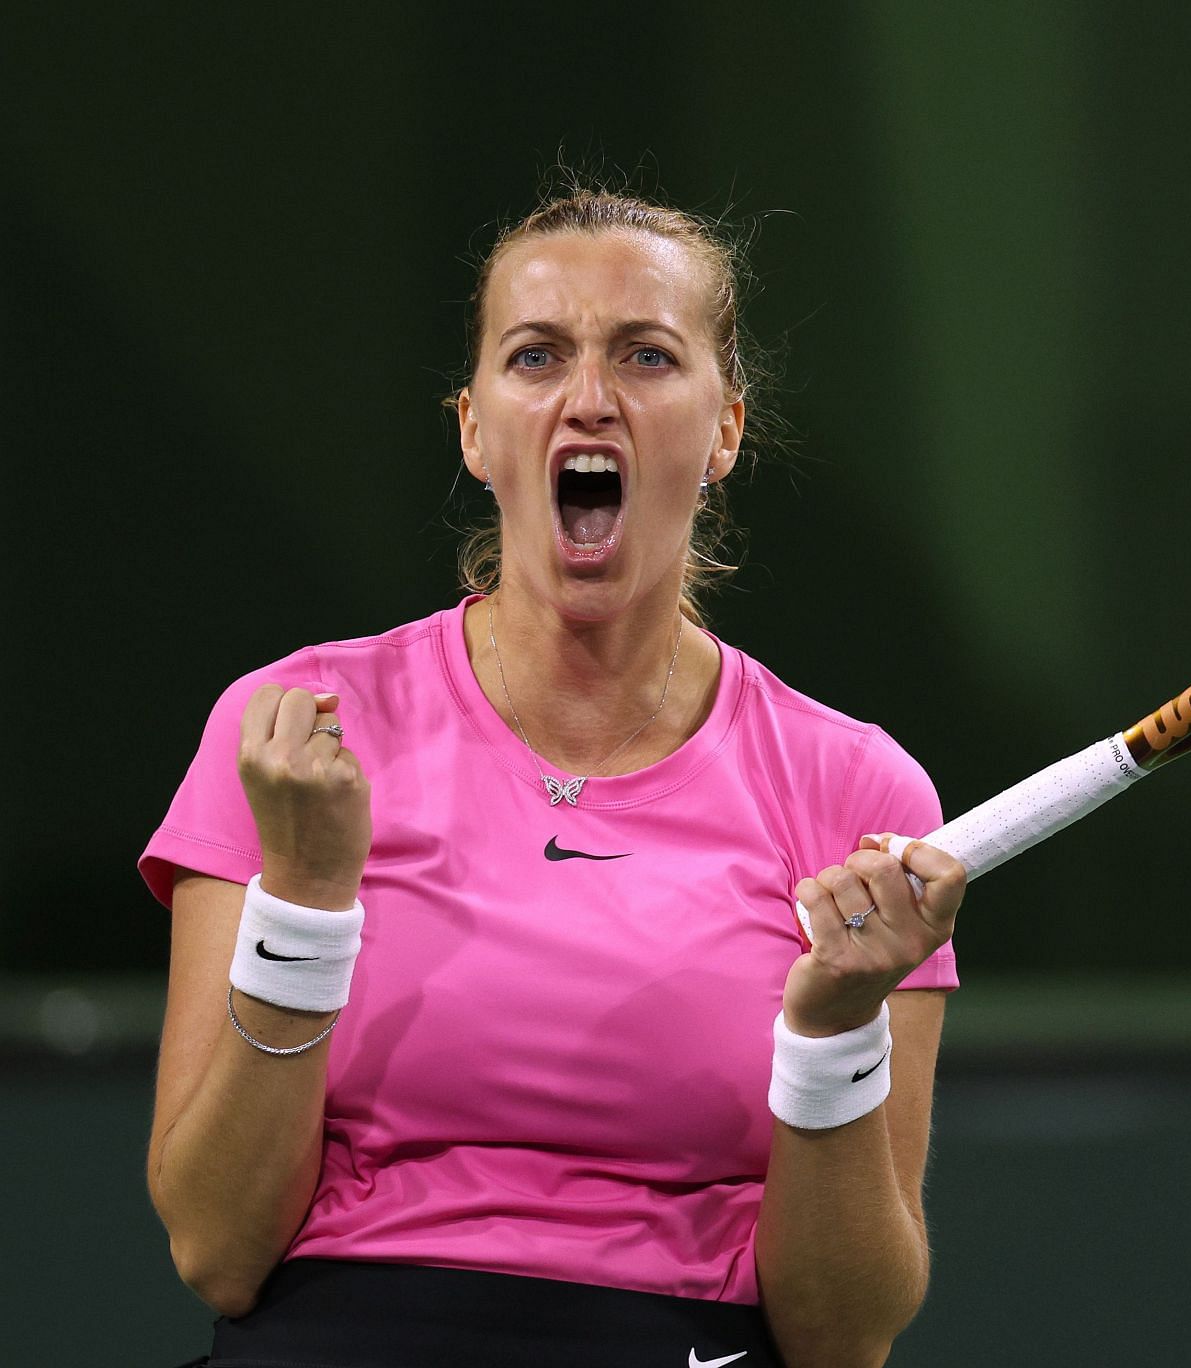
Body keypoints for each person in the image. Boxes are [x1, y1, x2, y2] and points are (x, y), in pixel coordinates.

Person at [139, 187, 964, 1368]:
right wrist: (306, 903)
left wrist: (831, 1034)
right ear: (476, 430)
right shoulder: (293, 731)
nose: (589, 398)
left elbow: (844, 1334)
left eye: (645, 355)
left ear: (725, 428)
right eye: (538, 356)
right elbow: (216, 1250)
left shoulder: (857, 792)